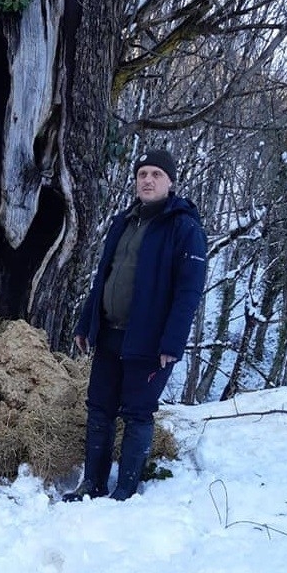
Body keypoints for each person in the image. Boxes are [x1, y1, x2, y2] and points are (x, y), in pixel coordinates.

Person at [63, 148, 207, 502]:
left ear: (170, 182)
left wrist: (171, 345)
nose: (148, 180)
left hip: (149, 342)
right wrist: (86, 324)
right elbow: (104, 278)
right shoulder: (124, 222)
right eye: (142, 174)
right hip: (110, 334)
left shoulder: (184, 228)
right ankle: (92, 484)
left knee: (138, 414)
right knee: (99, 409)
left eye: (156, 174)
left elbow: (189, 292)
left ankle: (125, 491)